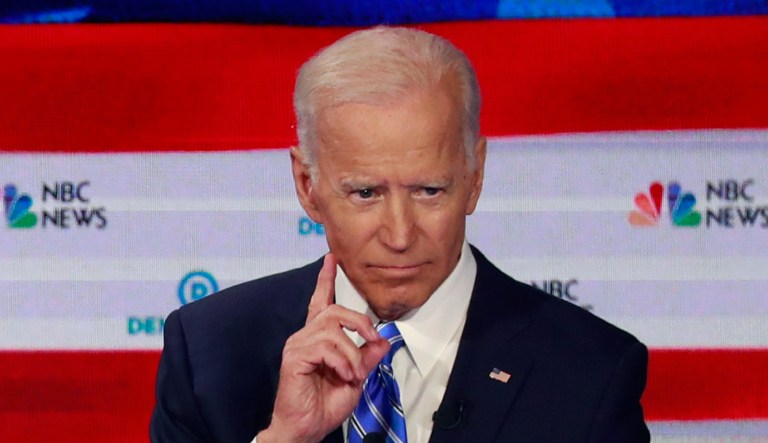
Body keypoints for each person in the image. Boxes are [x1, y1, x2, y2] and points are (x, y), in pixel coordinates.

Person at [150, 26, 650, 442]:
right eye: (365, 193)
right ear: (307, 186)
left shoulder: (591, 371)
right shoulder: (210, 354)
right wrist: (283, 438)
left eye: (429, 190)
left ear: (475, 178)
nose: (399, 234)